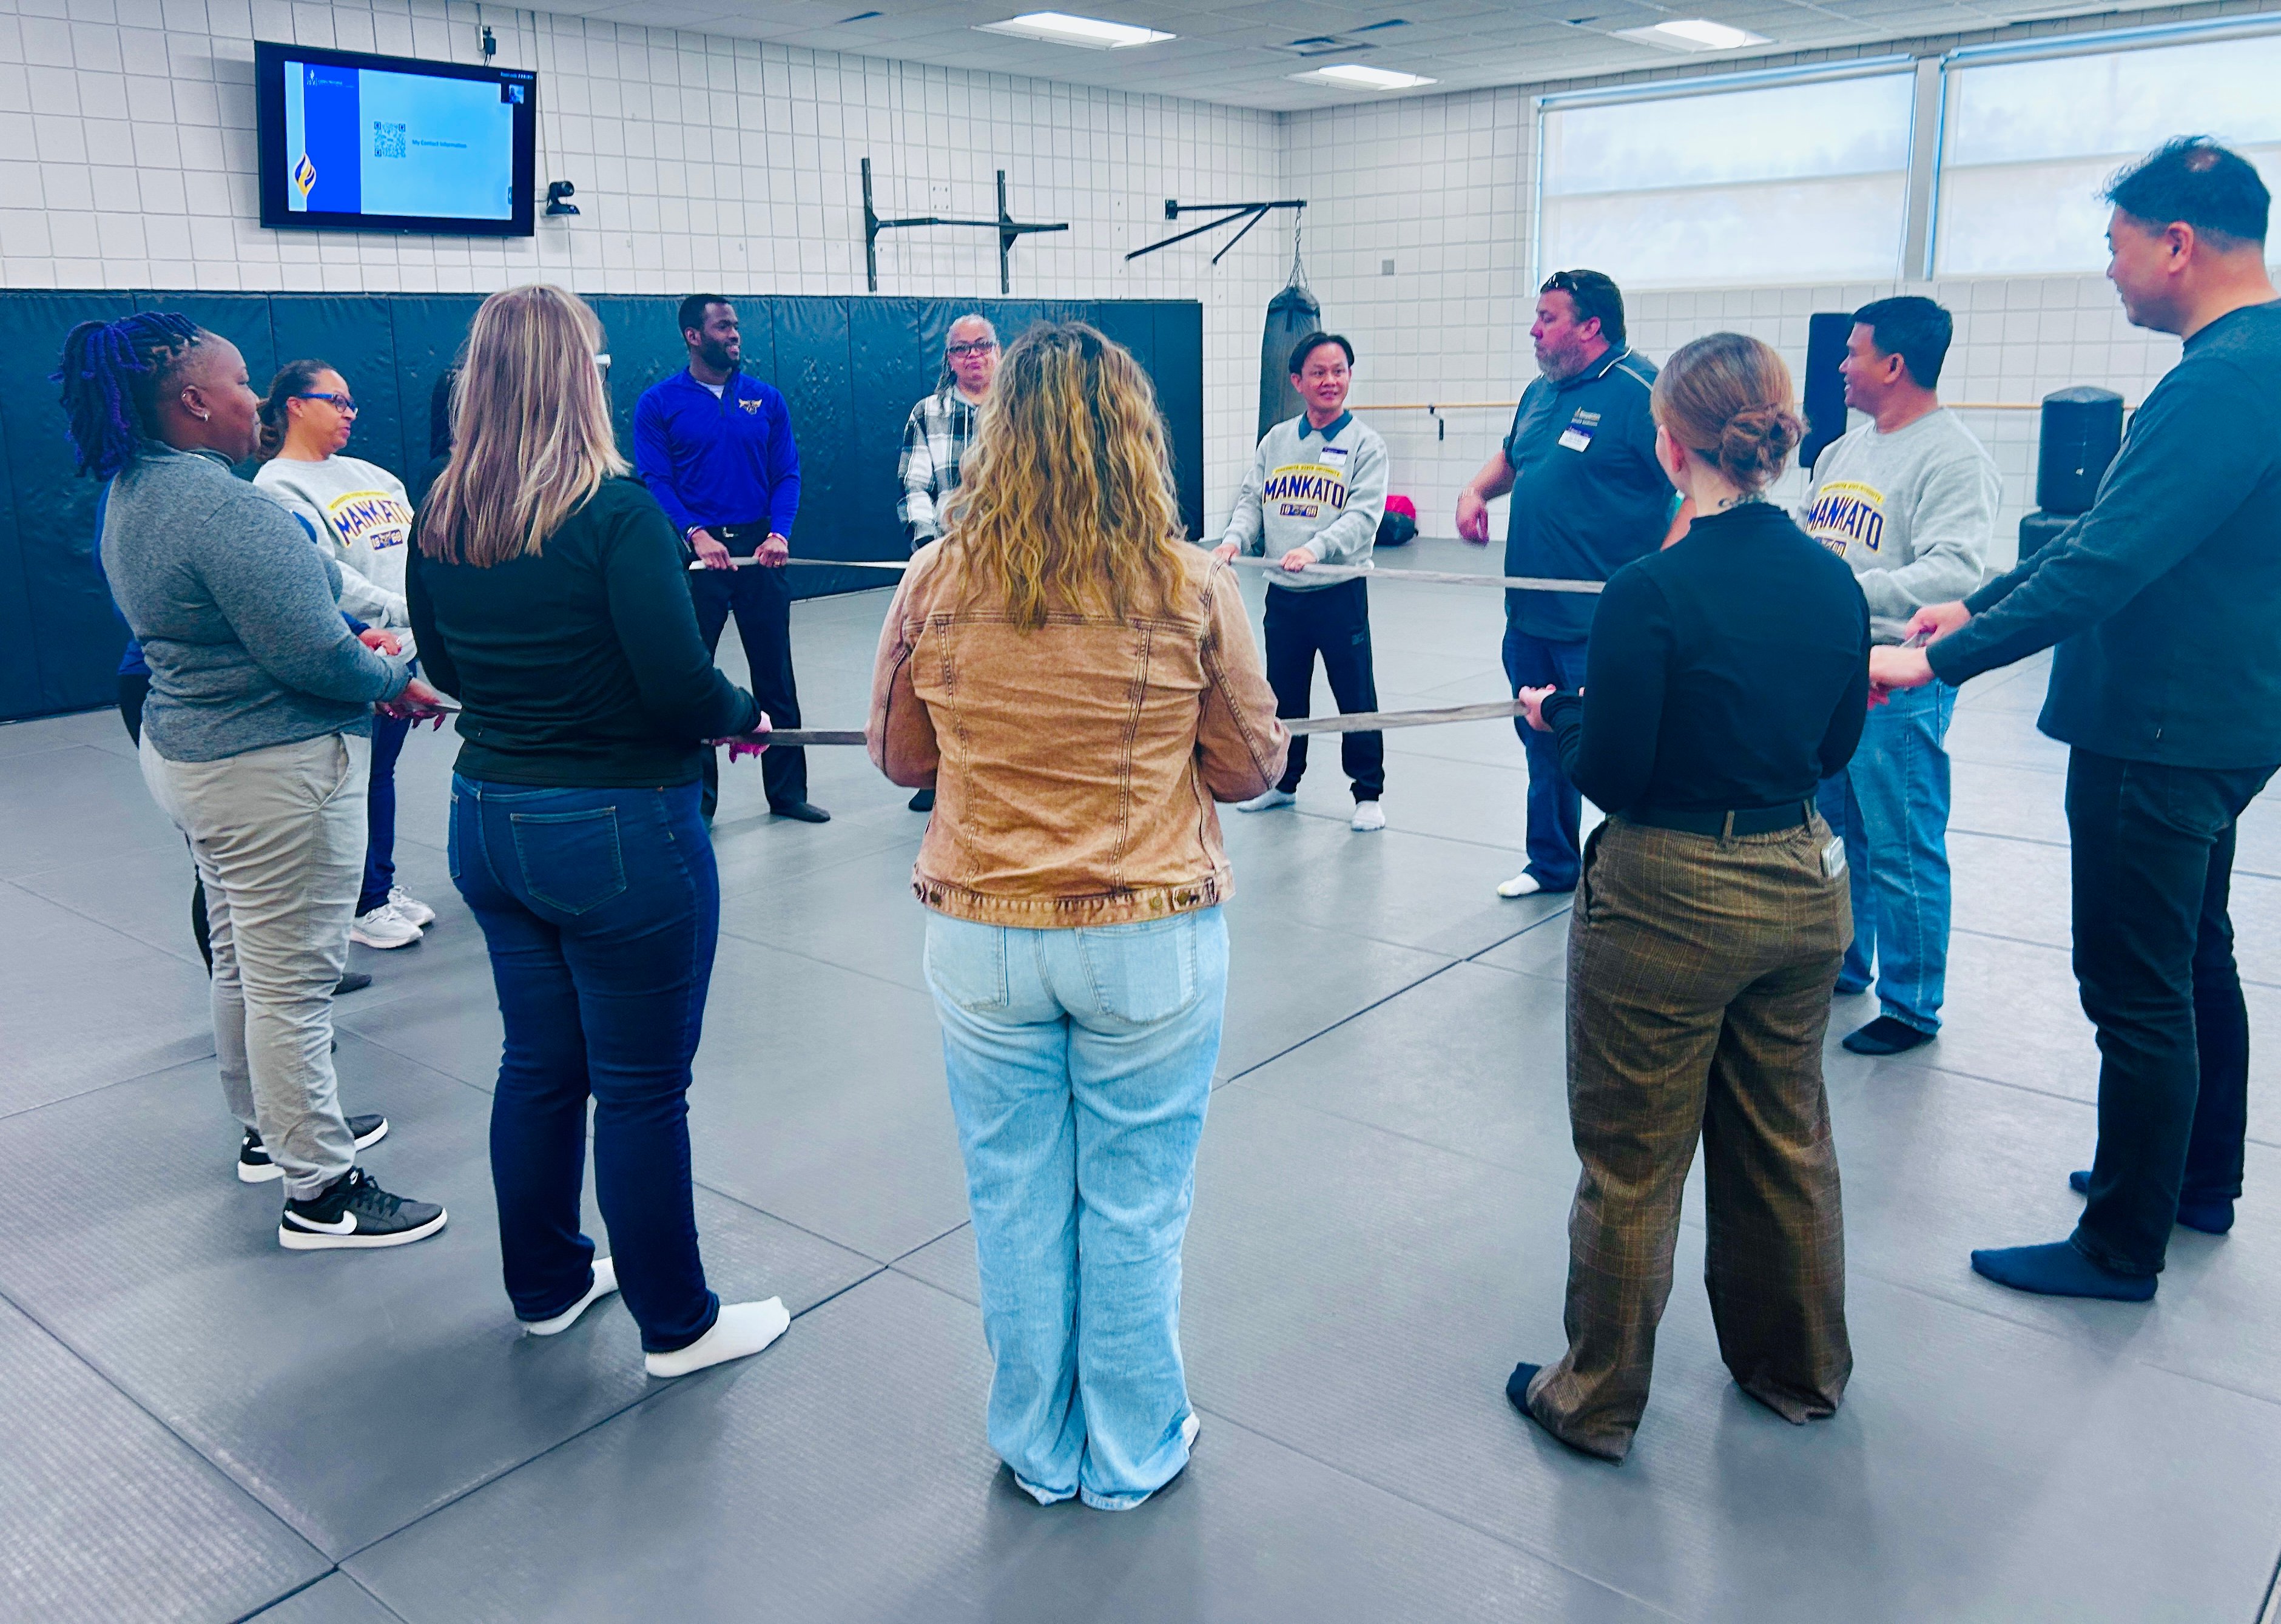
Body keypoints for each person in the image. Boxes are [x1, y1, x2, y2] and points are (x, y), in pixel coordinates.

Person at [868, 321, 1288, 1509]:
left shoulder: (936, 577)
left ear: (998, 436)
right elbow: (1252, 764)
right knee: (1135, 1200)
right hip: (1144, 934)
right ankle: (1131, 1447)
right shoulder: (1189, 582)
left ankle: (1036, 1447)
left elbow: (902, 757)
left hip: (983, 936)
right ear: (1134, 438)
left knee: (1011, 1198)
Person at [1872, 138, 2281, 1302]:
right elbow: (2111, 538)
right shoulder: (2263, 358)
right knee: (2198, 954)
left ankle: (2119, 1242)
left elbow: (2110, 562)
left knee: (2135, 983)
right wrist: (1976, 601)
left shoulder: (2220, 379)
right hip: (2228, 720)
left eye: (2114, 246)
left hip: (2156, 730)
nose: (2109, 270)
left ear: (2177, 243)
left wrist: (1934, 658)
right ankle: (2195, 1182)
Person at [409, 284, 791, 1376]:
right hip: (619, 831)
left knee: (537, 1064)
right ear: (576, 377)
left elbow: (442, 669)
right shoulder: (617, 513)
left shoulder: (443, 509)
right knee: (637, 1086)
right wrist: (742, 716)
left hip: (490, 820)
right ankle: (679, 1323)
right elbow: (679, 685)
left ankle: (547, 1284)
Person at [1504, 331, 1869, 1464]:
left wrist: (1552, 713)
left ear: (1671, 446)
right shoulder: (1832, 578)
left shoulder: (1647, 592)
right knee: (1784, 1138)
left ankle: (1595, 1398)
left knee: (1632, 1159)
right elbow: (1837, 741)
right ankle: (1799, 1368)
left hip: (1670, 899)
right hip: (1801, 883)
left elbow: (1610, 769)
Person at [56, 312, 444, 1243]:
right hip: (271, 775)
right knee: (292, 986)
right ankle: (320, 1190)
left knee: (242, 962)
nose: (256, 405)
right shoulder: (225, 509)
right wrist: (398, 678)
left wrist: (397, 616)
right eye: (241, 387)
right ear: (193, 401)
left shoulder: (142, 489)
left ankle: (271, 1132)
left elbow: (315, 581)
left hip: (197, 759)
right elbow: (319, 655)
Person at [1802, 297, 1998, 1056]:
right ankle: (1846, 964)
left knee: (1900, 842)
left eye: (1852, 354)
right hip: (1832, 672)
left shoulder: (1952, 458)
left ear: (1893, 365)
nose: (1840, 367)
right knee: (1831, 829)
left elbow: (1954, 571)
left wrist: (1841, 593)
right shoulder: (1842, 453)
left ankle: (1913, 1006)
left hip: (1901, 675)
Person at [1456, 270, 1679, 898]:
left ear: (1590, 327)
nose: (1533, 329)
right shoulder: (1540, 391)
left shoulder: (1645, 394)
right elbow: (1514, 456)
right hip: (1528, 617)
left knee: (1619, 753)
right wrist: (1476, 489)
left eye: (1547, 318)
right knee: (1542, 739)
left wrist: (1660, 583)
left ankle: (1637, 878)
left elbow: (1696, 488)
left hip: (1602, 626)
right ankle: (1552, 864)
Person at [255, 360, 437, 953]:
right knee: (349, 781)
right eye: (336, 400)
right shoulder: (277, 486)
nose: (350, 412)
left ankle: (376, 886)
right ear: (294, 406)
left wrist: (423, 614)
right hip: (356, 649)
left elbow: (417, 551)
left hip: (401, 651)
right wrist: (402, 611)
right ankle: (361, 903)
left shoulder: (373, 475)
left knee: (378, 774)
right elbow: (324, 577)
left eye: (353, 401)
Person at [634, 294, 826, 825]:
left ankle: (787, 794)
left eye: (736, 326)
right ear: (693, 336)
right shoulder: (659, 403)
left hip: (762, 556)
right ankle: (698, 804)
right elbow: (655, 481)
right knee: (693, 677)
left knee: (776, 678)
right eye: (723, 327)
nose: (734, 335)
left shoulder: (765, 400)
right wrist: (695, 534)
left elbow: (787, 473)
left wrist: (779, 535)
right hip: (698, 560)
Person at [1211, 332, 1390, 832]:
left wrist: (1316, 548)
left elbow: (1363, 516)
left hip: (1338, 592)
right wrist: (1233, 540)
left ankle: (1368, 792)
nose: (1330, 381)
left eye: (1339, 371)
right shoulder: (1277, 441)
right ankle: (1284, 783)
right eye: (1318, 372)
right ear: (1297, 381)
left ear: (1350, 376)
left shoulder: (1366, 445)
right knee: (1284, 694)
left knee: (1355, 692)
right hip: (1284, 595)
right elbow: (1252, 500)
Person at [895, 313, 1000, 814]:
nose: (974, 356)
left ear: (998, 350)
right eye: (962, 349)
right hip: (948, 563)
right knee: (941, 670)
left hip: (1011, 564)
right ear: (950, 359)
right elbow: (914, 486)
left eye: (983, 345)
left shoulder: (1022, 407)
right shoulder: (928, 413)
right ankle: (936, 773)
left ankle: (997, 767)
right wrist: (927, 551)